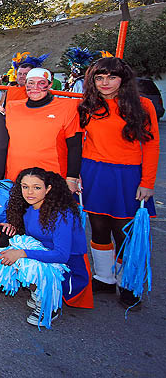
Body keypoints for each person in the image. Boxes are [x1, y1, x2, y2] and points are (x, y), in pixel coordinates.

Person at [77, 57, 159, 308]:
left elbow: (152, 145)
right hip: (94, 173)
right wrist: (76, 173)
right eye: (99, 78)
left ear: (123, 79)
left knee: (125, 232)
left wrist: (147, 181)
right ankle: (104, 277)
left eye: (111, 77)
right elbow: (80, 141)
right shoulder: (87, 105)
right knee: (98, 227)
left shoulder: (143, 105)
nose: (105, 83)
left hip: (128, 175)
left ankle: (127, 283)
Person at [0, 167, 93, 326]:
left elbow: (62, 255)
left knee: (22, 256)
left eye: (37, 187)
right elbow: (31, 238)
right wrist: (13, 230)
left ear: (48, 189)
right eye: (25, 186)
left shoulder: (62, 214)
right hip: (47, 255)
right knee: (8, 247)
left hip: (70, 267)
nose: (29, 192)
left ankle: (50, 304)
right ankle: (39, 292)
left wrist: (21, 253)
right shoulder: (29, 208)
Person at [4, 68, 81, 194]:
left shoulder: (67, 107)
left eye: (41, 83)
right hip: (16, 176)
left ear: (50, 85)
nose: (35, 87)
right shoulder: (12, 106)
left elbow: (75, 146)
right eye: (31, 83)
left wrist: (72, 177)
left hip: (51, 177)